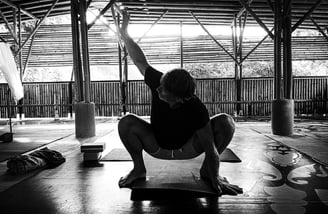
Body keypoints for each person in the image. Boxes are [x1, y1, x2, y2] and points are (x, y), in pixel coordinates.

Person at [117, 11, 242, 195]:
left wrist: (215, 176)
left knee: (226, 122)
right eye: (160, 86)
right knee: (126, 121)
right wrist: (124, 33)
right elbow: (139, 60)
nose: (158, 89)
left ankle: (207, 171)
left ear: (179, 97)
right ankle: (138, 169)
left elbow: (210, 147)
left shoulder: (196, 108)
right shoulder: (160, 81)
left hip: (188, 148)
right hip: (156, 145)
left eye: (163, 90)